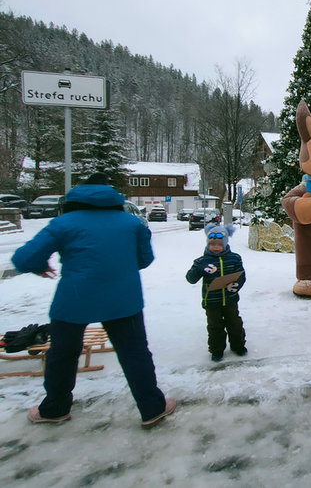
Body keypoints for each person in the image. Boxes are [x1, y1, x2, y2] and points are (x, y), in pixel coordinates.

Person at [12, 172, 176, 427]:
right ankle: (152, 408)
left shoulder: (63, 223)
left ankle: (54, 409)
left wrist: (39, 264)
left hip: (74, 299)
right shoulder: (132, 223)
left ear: (77, 197)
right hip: (123, 300)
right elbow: (145, 260)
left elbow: (23, 259)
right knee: (135, 355)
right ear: (112, 197)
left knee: (62, 355)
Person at [185, 224, 247, 362]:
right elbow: (190, 279)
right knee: (215, 327)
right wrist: (200, 269)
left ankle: (238, 346)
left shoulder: (235, 258)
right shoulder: (201, 261)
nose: (216, 247)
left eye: (219, 244)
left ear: (225, 244)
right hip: (211, 301)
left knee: (235, 323)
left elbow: (241, 276)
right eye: (212, 244)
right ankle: (217, 350)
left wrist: (235, 285)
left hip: (230, 299)